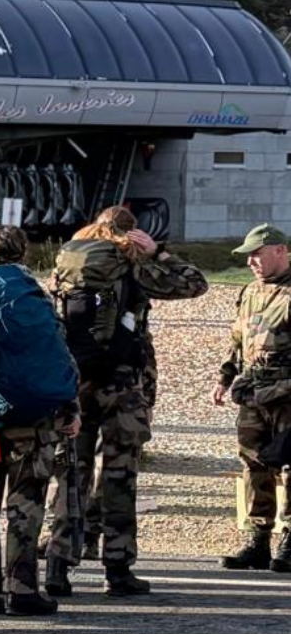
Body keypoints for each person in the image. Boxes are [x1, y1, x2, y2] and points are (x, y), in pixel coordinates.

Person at [44, 205, 208, 597]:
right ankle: (117, 570)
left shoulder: (66, 264)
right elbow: (194, 283)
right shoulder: (131, 262)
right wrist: (157, 252)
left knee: (71, 475)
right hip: (121, 383)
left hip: (75, 382)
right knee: (119, 475)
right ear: (131, 233)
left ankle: (57, 567)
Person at [0, 226, 79, 616]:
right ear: (23, 253)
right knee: (25, 504)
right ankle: (22, 589)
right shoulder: (34, 294)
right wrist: (69, 406)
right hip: (32, 417)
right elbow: (56, 352)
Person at [213, 224, 291, 573]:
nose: (251, 262)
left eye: (257, 254)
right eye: (248, 256)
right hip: (253, 393)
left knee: (289, 466)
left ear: (280, 250)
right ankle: (258, 540)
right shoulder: (250, 292)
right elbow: (237, 339)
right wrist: (225, 378)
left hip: (287, 394)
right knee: (253, 464)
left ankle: (289, 540)